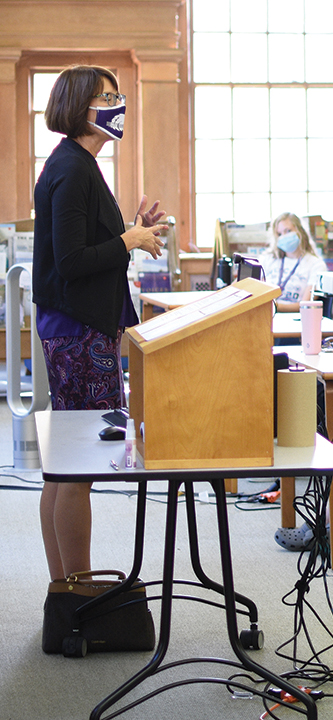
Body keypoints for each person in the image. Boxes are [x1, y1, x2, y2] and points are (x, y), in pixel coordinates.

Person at [32, 65, 166, 581]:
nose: (117, 105)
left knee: (65, 462)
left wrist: (131, 231)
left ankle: (66, 585)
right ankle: (78, 588)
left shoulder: (81, 165)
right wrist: (129, 241)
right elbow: (71, 261)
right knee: (79, 464)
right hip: (77, 331)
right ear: (77, 106)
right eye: (106, 96)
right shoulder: (72, 168)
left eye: (117, 95)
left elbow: (90, 249)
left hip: (81, 325)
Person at [264, 212, 327, 313]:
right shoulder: (268, 260)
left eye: (288, 231)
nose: (283, 237)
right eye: (279, 234)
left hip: (296, 319)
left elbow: (306, 305)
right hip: (265, 317)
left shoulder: (315, 264)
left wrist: (273, 306)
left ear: (300, 231)